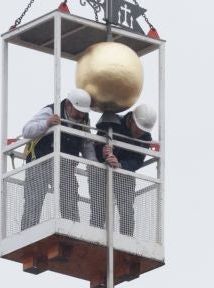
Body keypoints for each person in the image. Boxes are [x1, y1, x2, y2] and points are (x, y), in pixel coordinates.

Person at [19, 87, 95, 228]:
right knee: (33, 201)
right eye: (78, 111)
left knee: (70, 198)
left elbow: (87, 144)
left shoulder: (84, 121)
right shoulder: (51, 111)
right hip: (40, 163)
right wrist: (47, 123)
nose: (80, 115)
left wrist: (93, 163)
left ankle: (72, 231)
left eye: (83, 113)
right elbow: (27, 131)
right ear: (67, 104)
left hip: (64, 166)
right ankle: (27, 232)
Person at [92, 100, 158, 236]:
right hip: (101, 172)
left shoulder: (146, 137)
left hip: (124, 176)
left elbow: (137, 161)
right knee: (99, 208)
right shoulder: (112, 123)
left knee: (127, 211)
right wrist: (102, 151)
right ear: (132, 119)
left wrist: (120, 165)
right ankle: (95, 237)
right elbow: (95, 146)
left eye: (142, 131)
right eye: (138, 129)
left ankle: (126, 238)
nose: (139, 133)